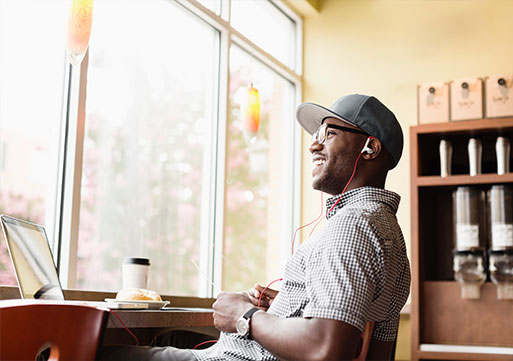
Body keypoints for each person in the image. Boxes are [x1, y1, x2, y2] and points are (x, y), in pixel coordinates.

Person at [100, 94, 411, 361]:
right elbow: (378, 352)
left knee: (90, 351)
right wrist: (286, 309)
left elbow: (326, 348)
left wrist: (244, 316)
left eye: (328, 133)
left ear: (369, 148)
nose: (313, 146)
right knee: (170, 335)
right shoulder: (389, 235)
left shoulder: (352, 227)